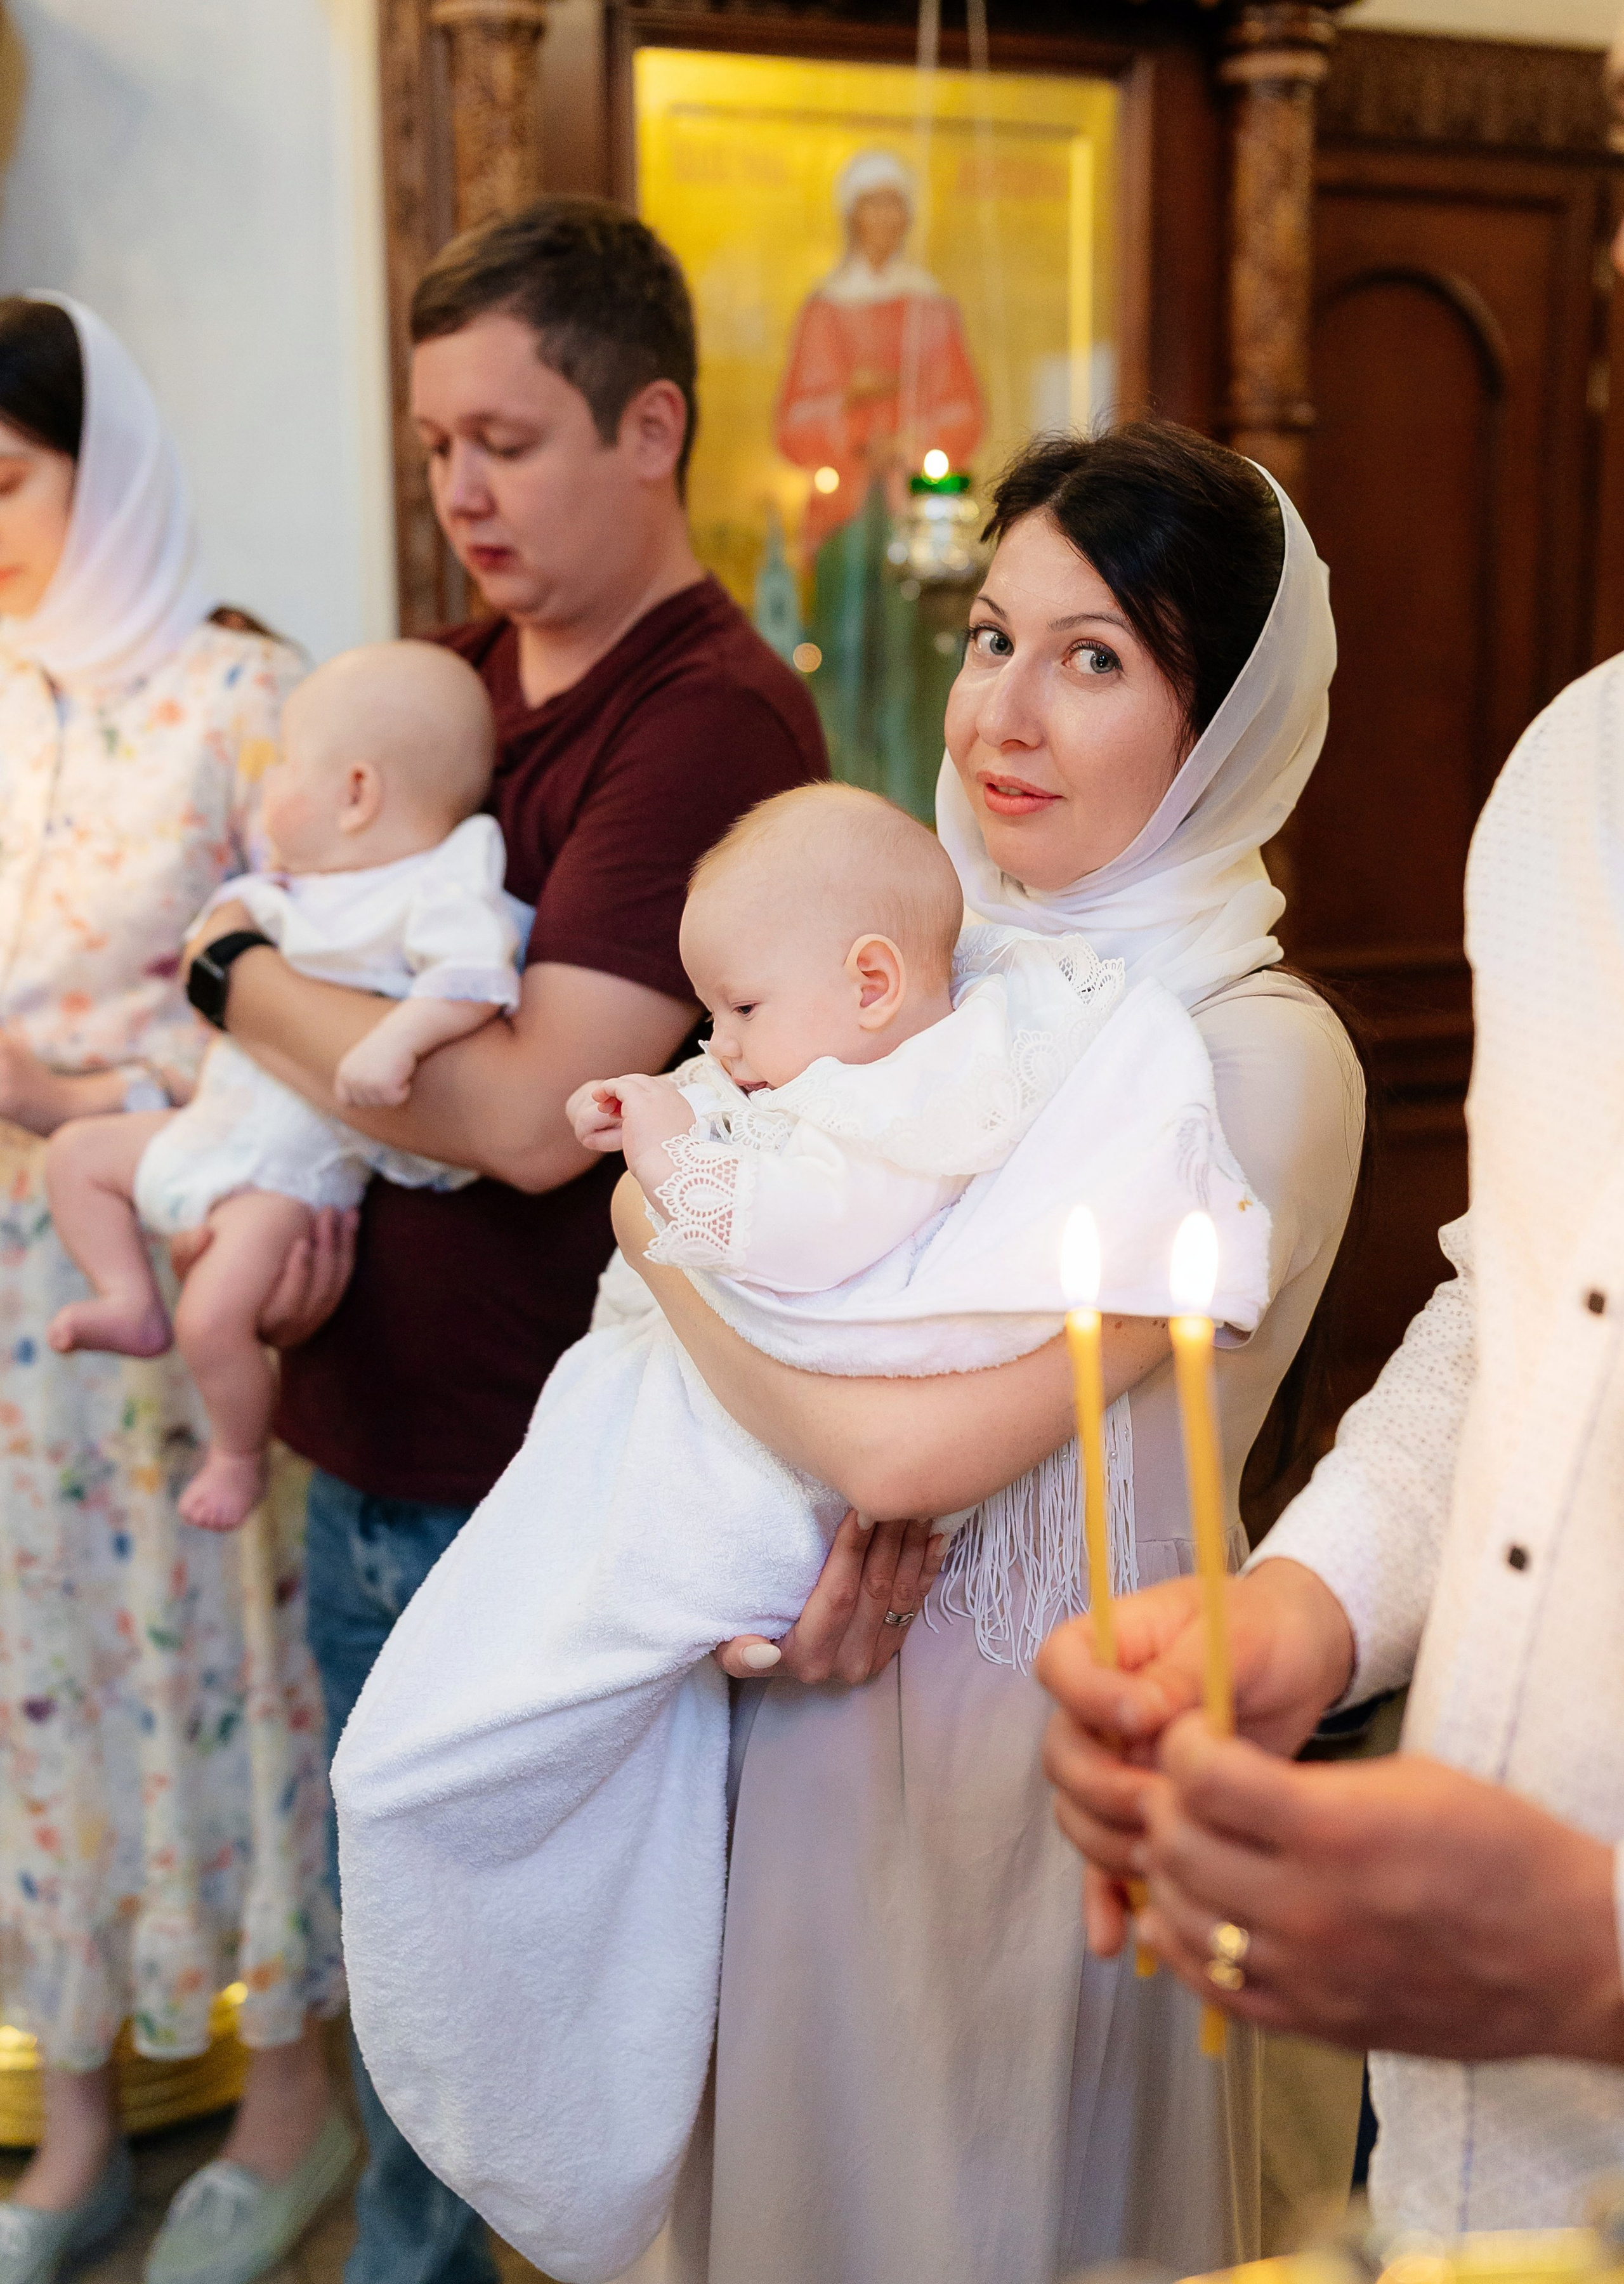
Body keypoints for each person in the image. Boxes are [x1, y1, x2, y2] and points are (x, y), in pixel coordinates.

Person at [594, 419, 1365, 2284]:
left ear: (1229, 719)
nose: (1002, 711)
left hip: (1052, 1758)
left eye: (1093, 657)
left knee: (998, 2207)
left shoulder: (1255, 1054)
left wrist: (656, 1230)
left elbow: (903, 1445)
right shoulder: (918, 958)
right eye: (988, 637)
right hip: (805, 1711)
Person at [330, 778, 1277, 2280]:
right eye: (986, 636)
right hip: (765, 1557)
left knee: (441, 1754)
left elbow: (803, 1251)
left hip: (943, 1637)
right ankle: (540, 2069)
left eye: (736, 1010)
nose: (718, 1046)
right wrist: (678, 1142)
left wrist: (656, 1181)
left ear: (871, 984)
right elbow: (728, 1213)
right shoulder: (850, 1053)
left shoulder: (952, 1079)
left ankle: (542, 2089)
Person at [181, 197, 848, 2284]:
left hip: (531, 1476)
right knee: (419, 2004)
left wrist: (226, 975)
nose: (460, 490)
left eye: (510, 437)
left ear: (650, 426)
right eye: (436, 446)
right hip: (371, 1448)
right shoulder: (455, 682)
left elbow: (528, 1116)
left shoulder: (707, 721)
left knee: (520, 2044)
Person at [1038, 638, 1624, 2235]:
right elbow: (1532, 1309)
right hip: (1444, 2121)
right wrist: (1309, 1600)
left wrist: (1592, 1956)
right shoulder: (1579, 769)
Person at [0, 295, 350, 2284]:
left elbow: (302, 1031)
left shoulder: (244, 706)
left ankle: (289, 2098)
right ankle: (64, 2123)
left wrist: (63, 1095)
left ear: (99, 459)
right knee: (34, 1687)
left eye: (8, 486)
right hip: (2, 1304)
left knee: (214, 1665)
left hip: (171, 1274)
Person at [46, 642, 523, 1532]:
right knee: (75, 1160)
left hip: (291, 1167)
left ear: (355, 793)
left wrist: (400, 1038)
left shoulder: (437, 881)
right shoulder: (294, 887)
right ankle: (127, 1297)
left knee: (214, 1317)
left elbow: (475, 978)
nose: (264, 795)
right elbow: (211, 957)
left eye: (279, 773)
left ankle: (236, 1456)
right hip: (219, 1117)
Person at [775, 149, 984, 801]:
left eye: (896, 203)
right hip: (846, 513)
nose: (884, 218)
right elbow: (796, 419)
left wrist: (910, 437)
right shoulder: (825, 309)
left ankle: (919, 795)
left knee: (917, 658)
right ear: (851, 215)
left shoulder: (932, 308)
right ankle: (843, 788)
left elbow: (962, 409)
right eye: (872, 203)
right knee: (843, 647)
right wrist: (856, 419)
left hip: (913, 511)